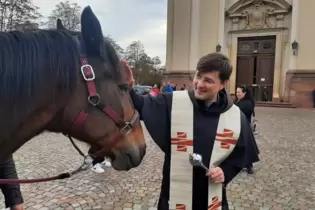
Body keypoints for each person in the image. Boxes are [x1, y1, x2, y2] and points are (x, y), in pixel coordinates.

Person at [124, 53, 260, 210]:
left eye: (208, 80)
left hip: (211, 200)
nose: (199, 84)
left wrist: (225, 171)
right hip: (174, 197)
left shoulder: (235, 116)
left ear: (223, 84)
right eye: (198, 76)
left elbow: (242, 154)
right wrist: (127, 88)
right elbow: (140, 104)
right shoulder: (173, 102)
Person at [234, 85, 260, 174]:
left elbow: (244, 112)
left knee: (246, 146)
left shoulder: (247, 103)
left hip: (245, 128)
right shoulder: (237, 100)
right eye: (236, 92)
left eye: (239, 92)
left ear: (244, 93)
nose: (237, 94)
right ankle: (238, 163)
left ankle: (249, 166)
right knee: (237, 146)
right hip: (237, 126)